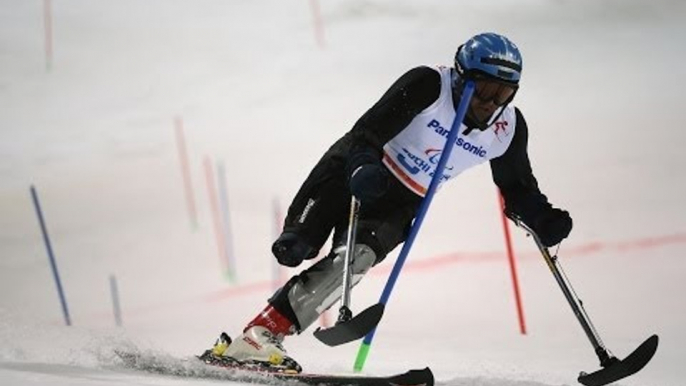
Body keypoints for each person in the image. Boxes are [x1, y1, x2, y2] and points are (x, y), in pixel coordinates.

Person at [204, 32, 573, 373]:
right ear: (462, 78)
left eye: (503, 93)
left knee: (355, 261)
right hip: (358, 169)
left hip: (402, 202)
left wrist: (542, 218)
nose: (490, 103)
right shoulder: (429, 85)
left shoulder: (507, 128)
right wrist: (364, 165)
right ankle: (260, 319)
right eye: (485, 89)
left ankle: (259, 335)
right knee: (294, 248)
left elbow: (518, 189)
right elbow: (366, 132)